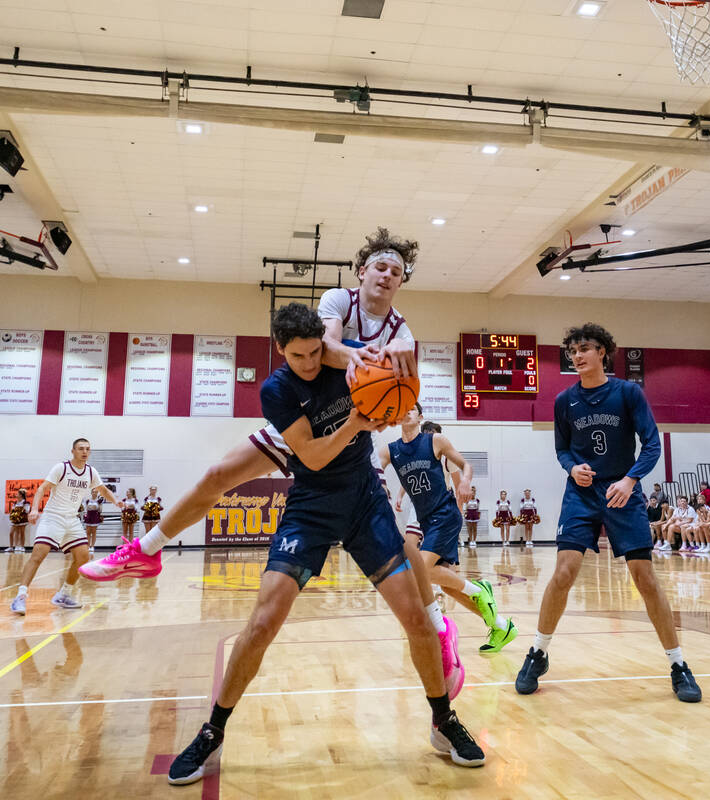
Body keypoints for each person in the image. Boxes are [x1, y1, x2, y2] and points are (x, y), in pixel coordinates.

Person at [81, 230, 464, 688]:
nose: (387, 275)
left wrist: (401, 379)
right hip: (308, 416)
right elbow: (330, 350)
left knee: (400, 544)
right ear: (361, 271)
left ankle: (440, 629)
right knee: (217, 476)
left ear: (402, 283)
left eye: (397, 272)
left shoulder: (402, 330)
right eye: (380, 266)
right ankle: (145, 551)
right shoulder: (338, 300)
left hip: (349, 429)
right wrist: (378, 360)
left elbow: (403, 398)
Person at [167, 303, 485, 786]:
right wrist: (358, 422)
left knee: (417, 618)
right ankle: (213, 731)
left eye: (317, 352)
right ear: (280, 350)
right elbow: (312, 457)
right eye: (299, 356)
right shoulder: (277, 390)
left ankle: (443, 719)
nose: (312, 363)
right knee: (262, 622)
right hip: (312, 504)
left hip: (364, 501)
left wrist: (400, 369)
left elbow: (400, 370)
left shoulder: (350, 357)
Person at [515, 322, 701, 703]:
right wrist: (571, 468)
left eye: (585, 348)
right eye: (573, 351)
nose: (578, 355)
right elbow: (562, 450)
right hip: (582, 494)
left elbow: (651, 445)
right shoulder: (564, 401)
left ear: (603, 351)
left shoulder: (628, 392)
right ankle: (537, 652)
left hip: (622, 491)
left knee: (644, 577)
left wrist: (630, 481)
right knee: (563, 572)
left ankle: (678, 664)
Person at [383, 404, 518, 655]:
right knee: (447, 585)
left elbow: (466, 465)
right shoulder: (391, 450)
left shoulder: (435, 441)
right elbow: (372, 468)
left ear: (421, 416)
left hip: (445, 515)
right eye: (402, 408)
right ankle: (501, 626)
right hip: (426, 520)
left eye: (413, 408)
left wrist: (465, 482)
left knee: (419, 569)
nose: (407, 411)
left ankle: (471, 598)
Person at [10, 438, 121, 615]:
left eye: (87, 449)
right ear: (73, 451)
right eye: (81, 449)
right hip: (53, 517)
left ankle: (64, 594)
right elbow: (42, 489)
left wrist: (116, 502)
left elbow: (103, 490)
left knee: (83, 557)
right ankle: (20, 596)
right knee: (38, 555)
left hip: (72, 519)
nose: (85, 452)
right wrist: (34, 509)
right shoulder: (61, 468)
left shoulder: (91, 472)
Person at [8, 487, 30, 553]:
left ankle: (22, 546)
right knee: (11, 533)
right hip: (15, 520)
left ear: (21, 495)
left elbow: (27, 510)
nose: (16, 495)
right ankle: (11, 547)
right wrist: (12, 514)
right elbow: (12, 510)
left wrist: (20, 510)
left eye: (17, 493)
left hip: (22, 520)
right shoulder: (15, 503)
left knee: (21, 533)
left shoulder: (26, 502)